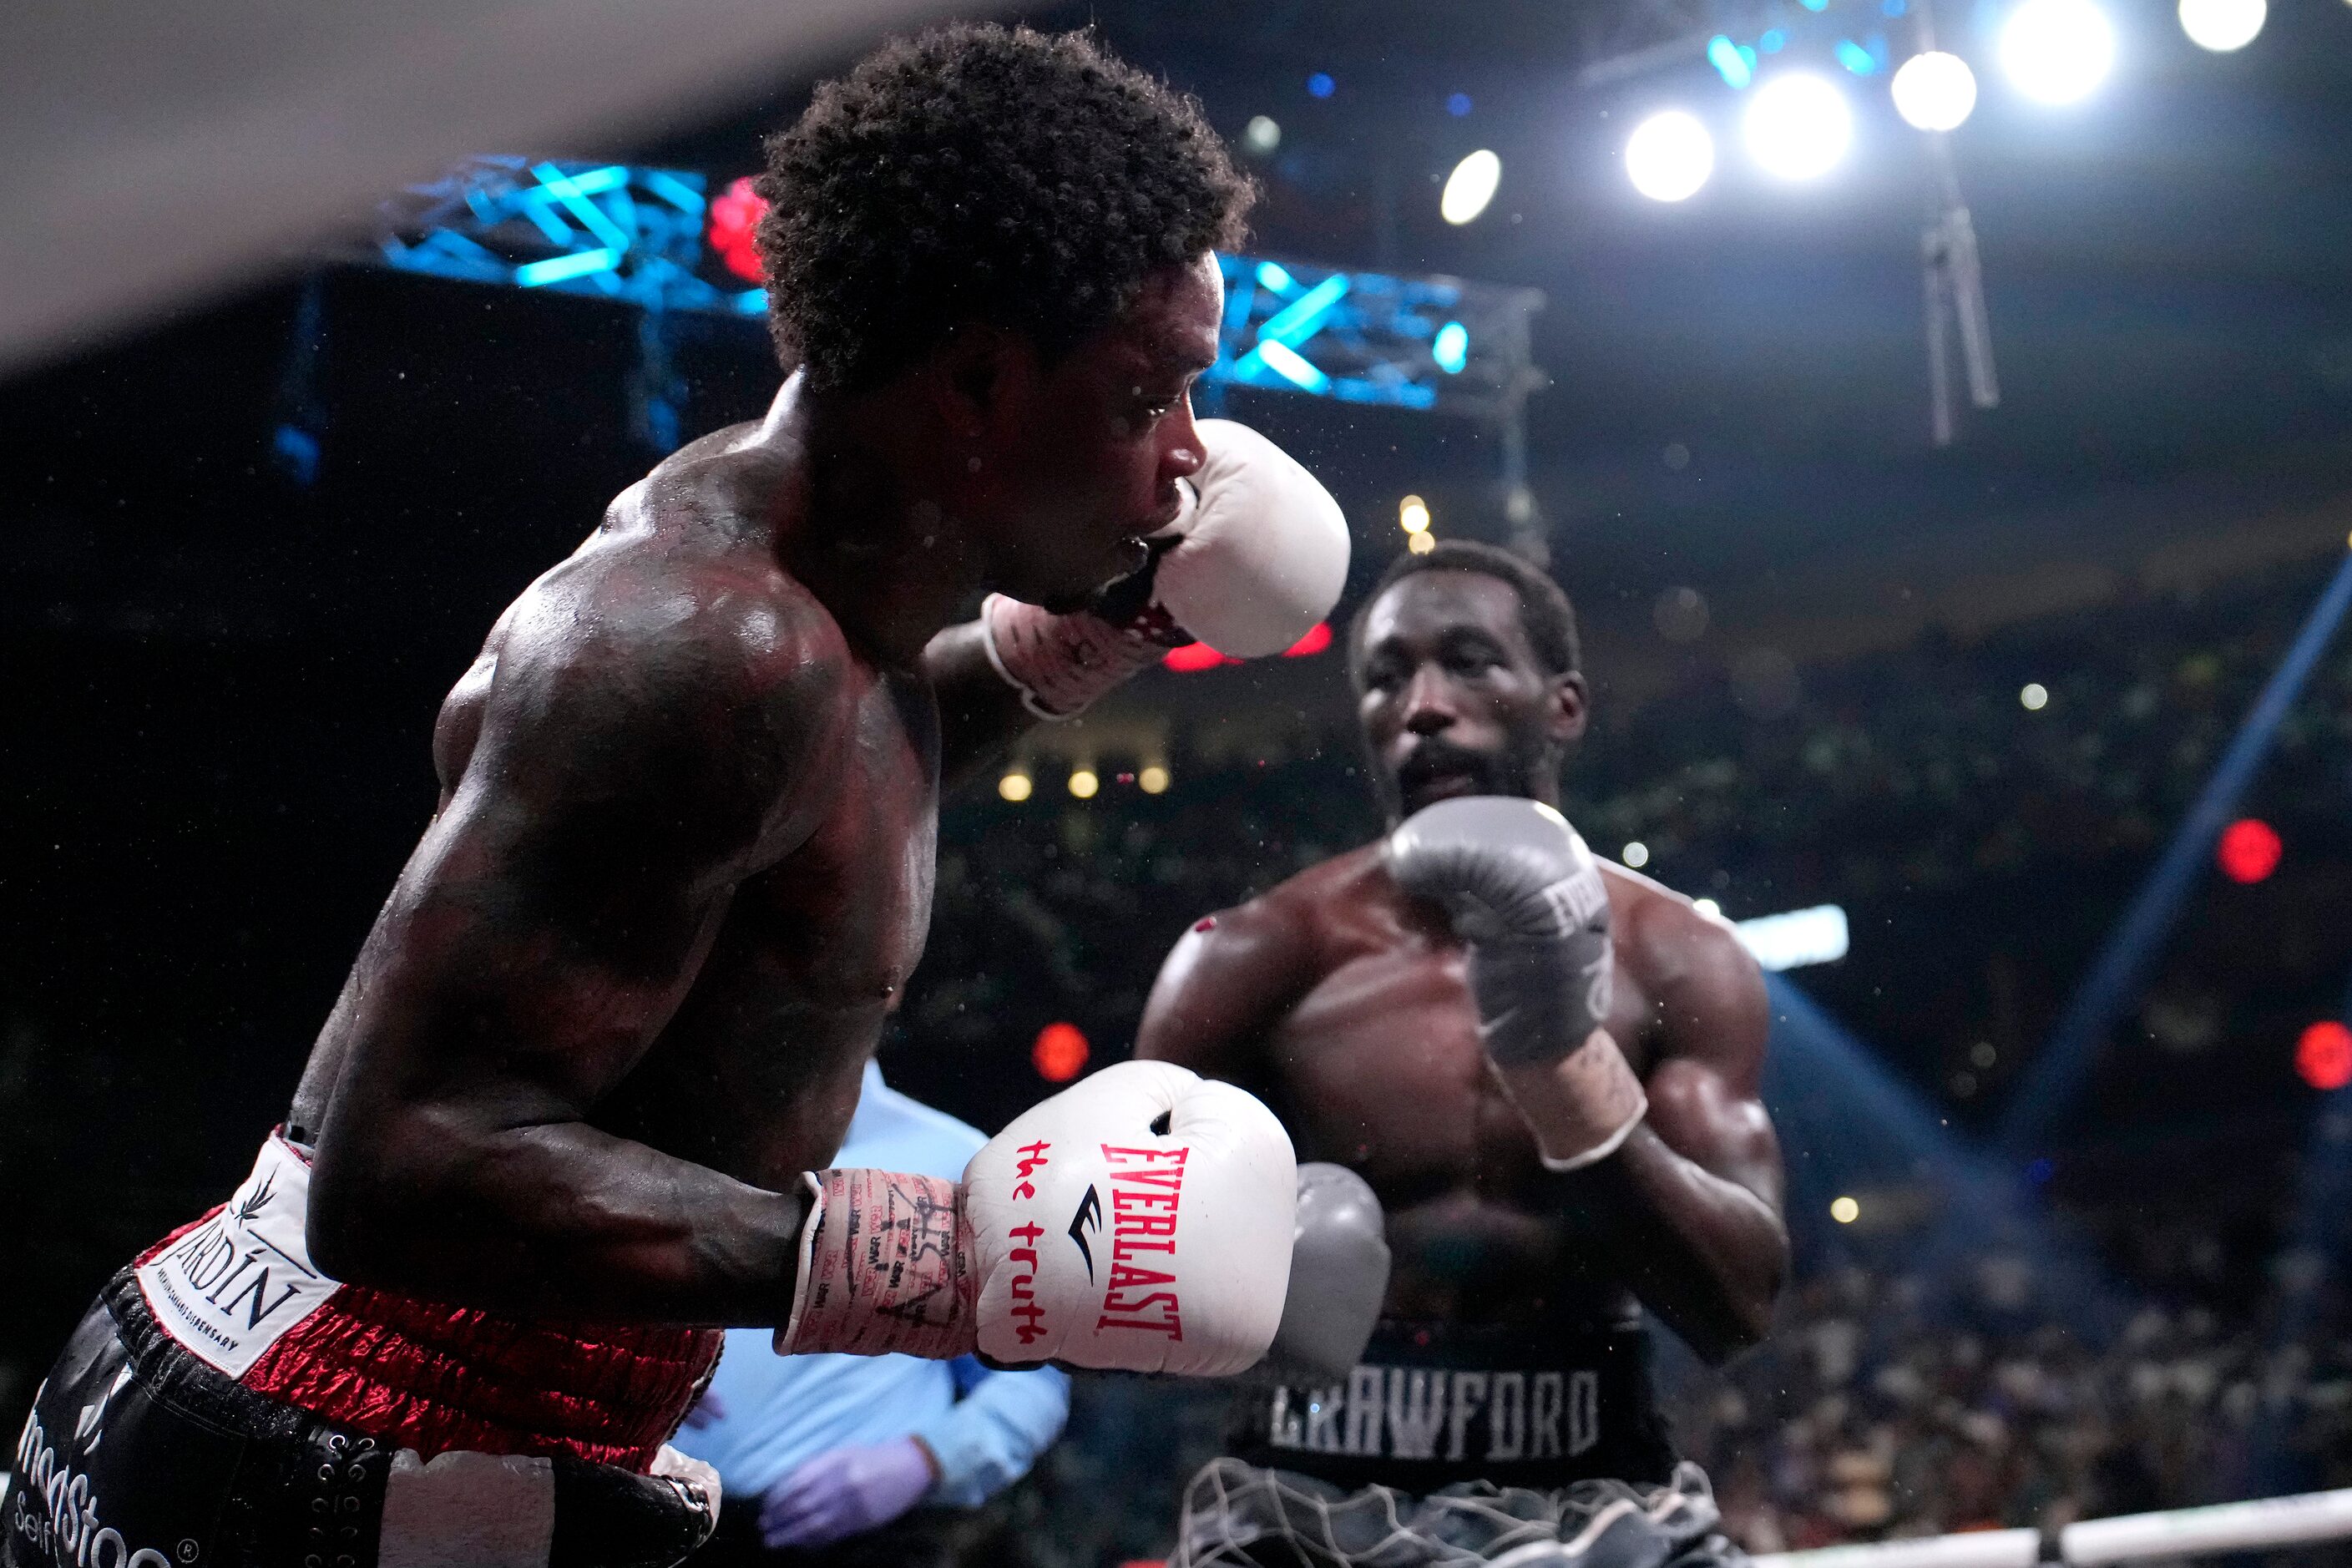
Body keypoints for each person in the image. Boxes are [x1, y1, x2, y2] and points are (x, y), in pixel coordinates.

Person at [4, 27, 1363, 1568]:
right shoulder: (713, 644)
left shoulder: (820, 565)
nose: (1192, 462)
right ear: (980, 377)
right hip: (360, 1412)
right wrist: (963, 1264)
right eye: (1152, 395)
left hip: (368, 1390)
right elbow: (402, 1169)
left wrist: (1083, 636)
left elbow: (833, 789)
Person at [1136, 540, 1791, 1567]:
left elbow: (1738, 1305)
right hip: (1301, 1496)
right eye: (1387, 678)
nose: (1423, 705)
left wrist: (1565, 1071)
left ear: (1563, 704)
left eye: (1470, 662)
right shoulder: (1255, 955)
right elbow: (1120, 1288)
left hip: (1598, 1490)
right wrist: (1244, 1279)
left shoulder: (1680, 958)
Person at [672, 1060, 1070, 1568]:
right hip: (648, 1512)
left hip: (854, 1544)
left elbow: (1034, 1379)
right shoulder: (678, 1133)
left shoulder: (960, 1163)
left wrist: (924, 1461)